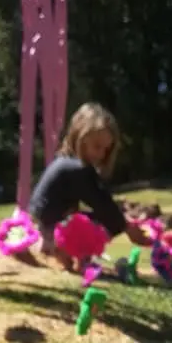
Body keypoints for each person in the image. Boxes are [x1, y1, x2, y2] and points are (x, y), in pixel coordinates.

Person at [29, 103, 151, 271]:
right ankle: (64, 250)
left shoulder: (65, 162)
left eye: (105, 150)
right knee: (104, 224)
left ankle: (65, 250)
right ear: (80, 138)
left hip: (47, 222)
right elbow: (101, 202)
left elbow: (100, 200)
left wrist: (123, 222)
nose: (101, 154)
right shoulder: (77, 169)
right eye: (97, 146)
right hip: (50, 228)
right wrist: (126, 227)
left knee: (104, 218)